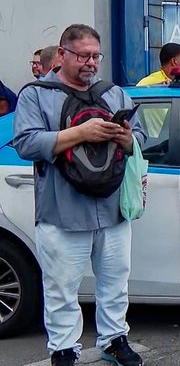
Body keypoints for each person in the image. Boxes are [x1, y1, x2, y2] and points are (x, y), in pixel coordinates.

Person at [13, 24, 146, 366]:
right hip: (62, 212)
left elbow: (142, 137)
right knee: (61, 289)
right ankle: (63, 350)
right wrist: (80, 132)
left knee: (115, 283)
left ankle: (114, 340)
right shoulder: (36, 95)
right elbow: (26, 143)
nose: (91, 63)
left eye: (96, 56)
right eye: (83, 56)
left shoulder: (113, 93)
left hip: (113, 209)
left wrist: (128, 139)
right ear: (62, 54)